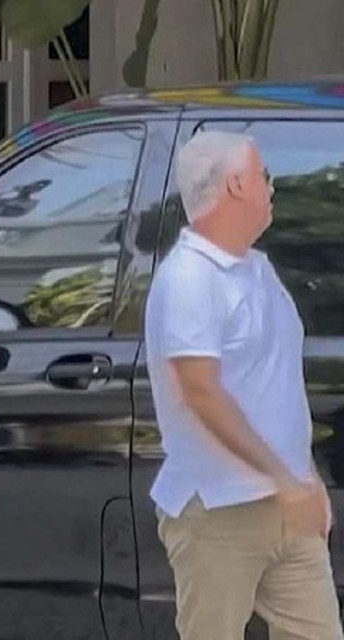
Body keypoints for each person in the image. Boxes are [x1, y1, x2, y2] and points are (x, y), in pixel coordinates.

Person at [145, 130, 342, 639]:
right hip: (218, 512)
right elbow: (200, 391)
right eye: (264, 176)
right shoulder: (188, 278)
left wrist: (305, 479)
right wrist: (282, 477)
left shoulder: (258, 268)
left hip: (286, 507)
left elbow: (272, 384)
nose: (271, 188)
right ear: (235, 184)